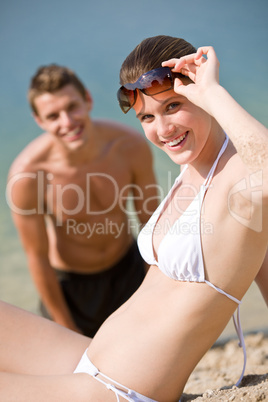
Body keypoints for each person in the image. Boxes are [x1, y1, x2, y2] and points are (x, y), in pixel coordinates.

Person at [1, 35, 268, 402]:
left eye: (174, 106)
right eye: (147, 116)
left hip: (118, 389)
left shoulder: (240, 177)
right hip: (90, 357)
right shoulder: (190, 171)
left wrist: (213, 92)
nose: (163, 130)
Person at [6, 64, 158, 337]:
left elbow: (152, 222)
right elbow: (37, 258)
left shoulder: (128, 146)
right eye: (53, 116)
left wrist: (153, 290)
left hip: (129, 268)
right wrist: (65, 325)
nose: (67, 122)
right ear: (39, 121)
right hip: (73, 291)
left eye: (72, 107)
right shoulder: (28, 175)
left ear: (87, 100)